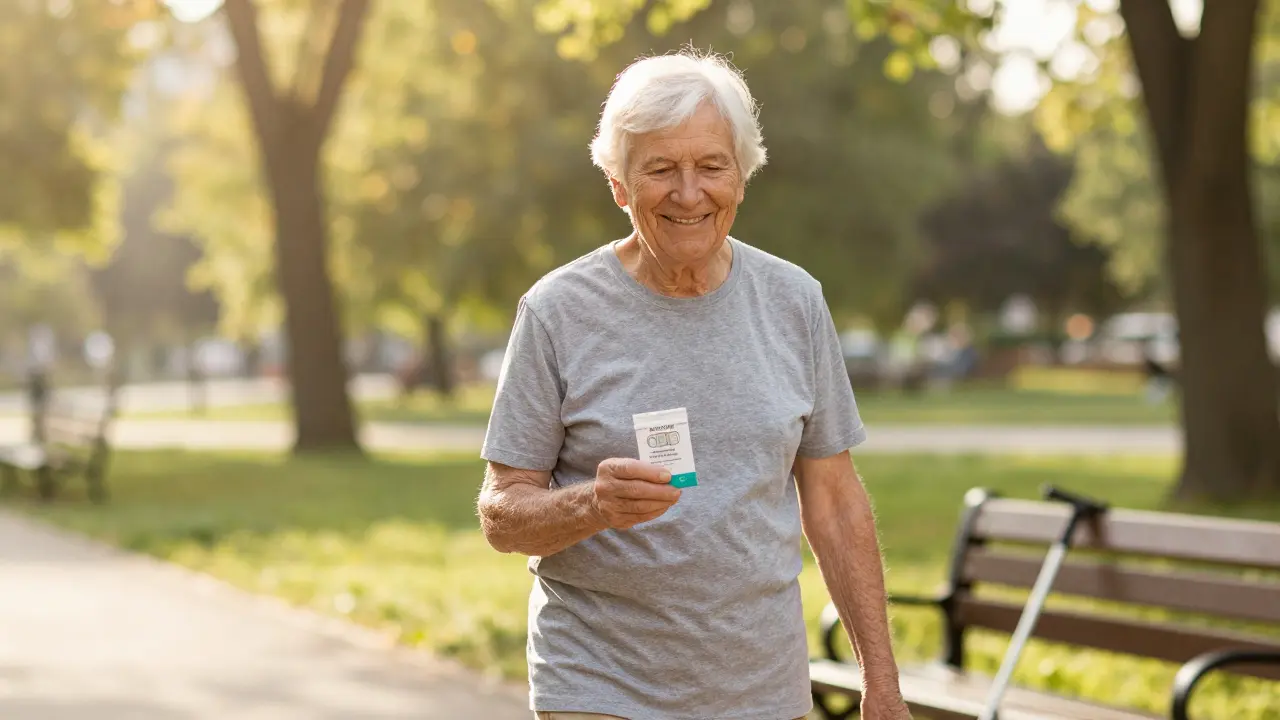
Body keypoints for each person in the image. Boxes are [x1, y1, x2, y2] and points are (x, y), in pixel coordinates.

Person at [477, 48, 911, 720]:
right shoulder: (557, 311)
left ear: (742, 177)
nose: (688, 193)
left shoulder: (794, 301)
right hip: (600, 686)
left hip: (762, 691)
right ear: (619, 185)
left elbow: (835, 502)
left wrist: (881, 681)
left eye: (711, 166)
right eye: (660, 170)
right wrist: (594, 504)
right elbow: (502, 515)